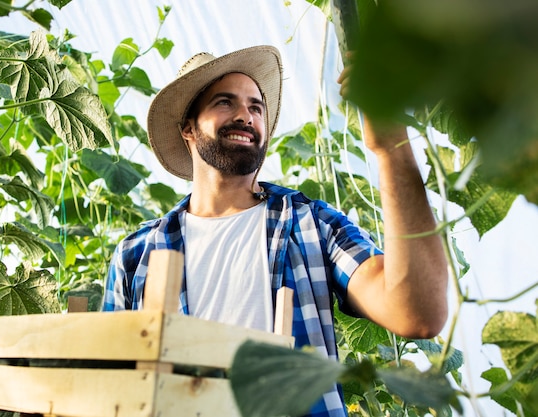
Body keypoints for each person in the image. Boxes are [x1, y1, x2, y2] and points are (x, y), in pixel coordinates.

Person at [102, 45, 448, 417]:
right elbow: (108, 386)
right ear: (188, 128)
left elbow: (418, 313)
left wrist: (390, 146)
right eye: (224, 102)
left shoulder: (311, 224)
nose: (245, 116)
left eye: (256, 107)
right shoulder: (137, 255)